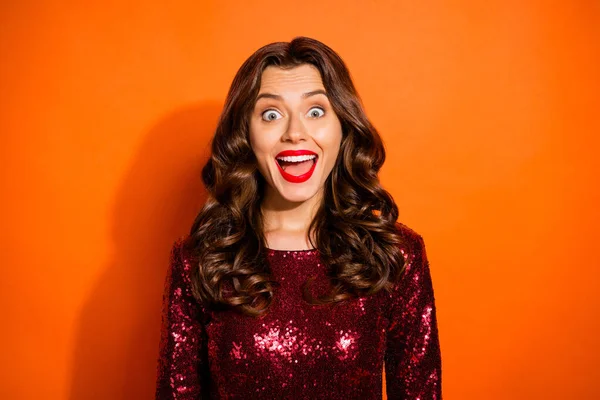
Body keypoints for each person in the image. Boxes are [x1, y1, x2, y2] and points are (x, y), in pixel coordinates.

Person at [155, 36, 442, 399]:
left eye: (316, 111)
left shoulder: (394, 254)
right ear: (246, 134)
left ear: (343, 128)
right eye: (271, 114)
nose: (294, 132)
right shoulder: (200, 260)